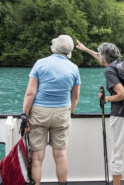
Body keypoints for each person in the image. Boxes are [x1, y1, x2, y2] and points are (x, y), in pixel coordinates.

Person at [75, 40, 124, 185]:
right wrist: (85, 49)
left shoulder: (109, 71)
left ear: (104, 58)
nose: (99, 58)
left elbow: (122, 95)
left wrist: (106, 98)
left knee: (117, 154)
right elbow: (100, 56)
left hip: (122, 116)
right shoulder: (123, 64)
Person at [22, 35, 81, 185]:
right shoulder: (74, 68)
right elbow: (75, 97)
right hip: (62, 112)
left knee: (36, 157)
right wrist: (69, 113)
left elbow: (30, 93)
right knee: (60, 155)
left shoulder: (40, 63)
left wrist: (25, 115)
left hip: (39, 113)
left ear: (54, 47)